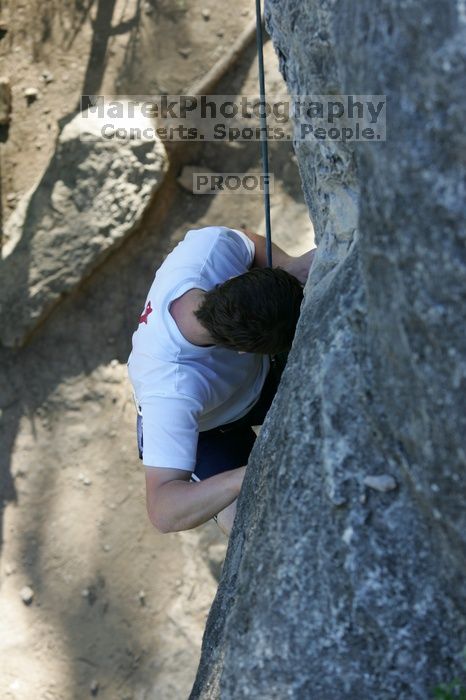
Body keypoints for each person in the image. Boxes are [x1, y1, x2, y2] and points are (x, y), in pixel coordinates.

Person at [127, 226, 315, 537]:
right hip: (210, 432)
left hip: (261, 376)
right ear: (240, 350)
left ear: (230, 280)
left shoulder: (210, 251)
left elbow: (248, 243)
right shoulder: (170, 392)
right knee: (254, 528)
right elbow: (164, 509)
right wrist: (249, 473)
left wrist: (289, 268)